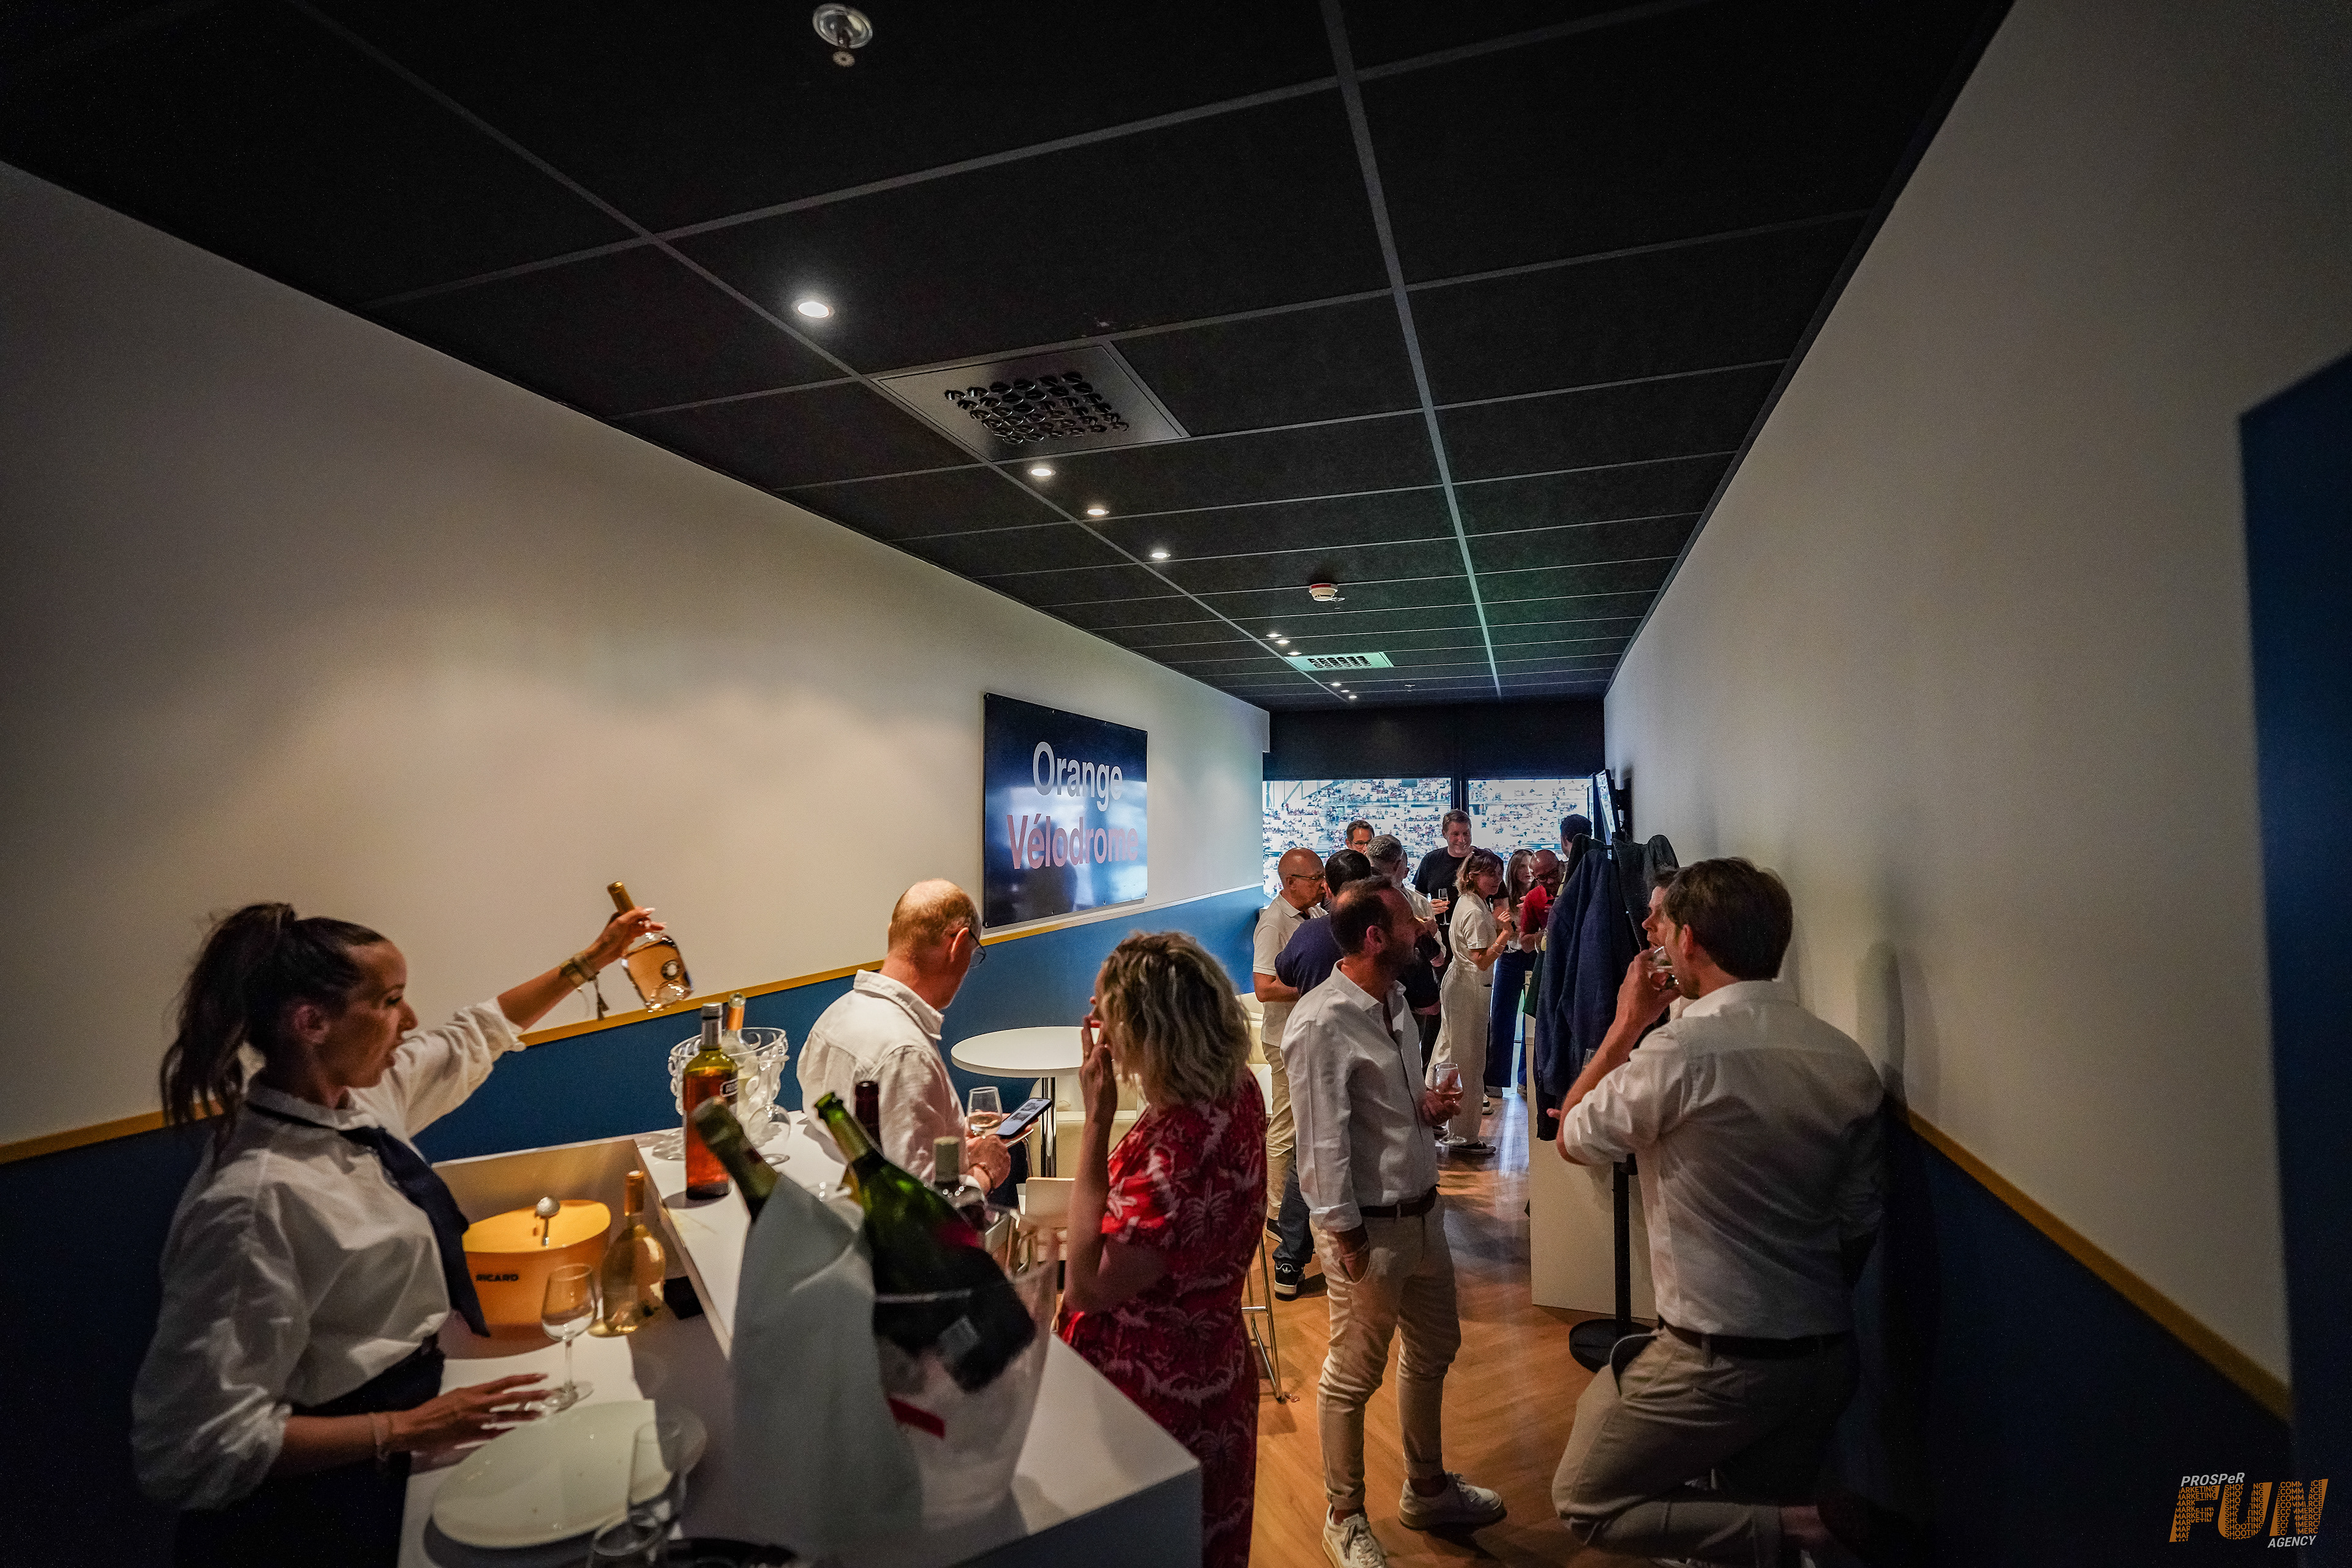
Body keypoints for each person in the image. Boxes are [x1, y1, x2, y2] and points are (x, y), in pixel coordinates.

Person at [134, 897, 664, 1566]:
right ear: (312, 1023)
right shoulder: (253, 1202)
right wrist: (402, 1428)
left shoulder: (359, 1102)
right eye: (389, 1001)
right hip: (323, 1507)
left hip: (420, 1411)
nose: (409, 1020)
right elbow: (187, 1448)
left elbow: (477, 1032)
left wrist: (592, 961)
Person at [1550, 859, 1893, 1566]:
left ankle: (1803, 1528)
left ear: (1690, 941)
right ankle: (1790, 1526)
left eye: (1665, 927)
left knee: (1586, 1496)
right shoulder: (1846, 1060)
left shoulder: (1678, 1052)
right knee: (1740, 1524)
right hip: (1825, 1353)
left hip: (1715, 1359)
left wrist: (1624, 1026)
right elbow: (1859, 1224)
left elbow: (1572, 1135)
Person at [1286, 879, 1507, 1568]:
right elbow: (1319, 1143)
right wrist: (1343, 1235)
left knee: (1435, 1348)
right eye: (1409, 920)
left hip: (1423, 1213)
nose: (1421, 926)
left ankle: (1427, 1487)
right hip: (1369, 1231)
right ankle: (1344, 1513)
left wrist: (1427, 1111)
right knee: (1352, 1375)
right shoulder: (1321, 1021)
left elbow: (1392, 1108)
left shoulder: (1395, 1006)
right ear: (1376, 937)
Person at [1060, 931, 1268, 1568]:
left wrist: (1097, 1122)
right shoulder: (1235, 1092)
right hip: (1216, 1369)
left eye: (1105, 1016)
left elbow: (1087, 1287)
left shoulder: (1174, 1150)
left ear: (1147, 1031)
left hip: (1155, 1400)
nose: (1096, 1030)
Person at [798, 880, 1010, 1189]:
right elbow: (919, 1206)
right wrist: (985, 1174)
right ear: (959, 943)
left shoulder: (833, 1017)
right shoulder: (906, 1054)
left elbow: (873, 1136)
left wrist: (949, 1132)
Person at [1252, 847, 1325, 1298]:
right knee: (1286, 1126)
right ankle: (1278, 1211)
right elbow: (1263, 988)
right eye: (1314, 877)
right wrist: (1315, 986)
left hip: (1303, 1035)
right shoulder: (1272, 922)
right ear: (1289, 882)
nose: (1321, 883)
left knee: (1298, 1125)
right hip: (1284, 1040)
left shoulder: (1314, 913)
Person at [1431, 848, 1513, 1152]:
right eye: (1490, 873)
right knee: (1468, 1062)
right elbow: (1481, 960)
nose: (1497, 879)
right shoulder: (1476, 911)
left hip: (1462, 983)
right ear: (1471, 876)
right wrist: (1505, 933)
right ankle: (1464, 1135)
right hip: (1469, 986)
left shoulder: (1472, 904)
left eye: (1498, 873)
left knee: (1448, 1052)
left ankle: (1437, 1118)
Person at [1364, 835, 1446, 1044]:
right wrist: (1420, 933)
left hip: (1383, 994)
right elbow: (1437, 958)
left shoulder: (1351, 899)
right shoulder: (1367, 900)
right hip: (1392, 994)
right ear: (1399, 864)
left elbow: (1439, 956)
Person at [1485, 850, 1540, 1104]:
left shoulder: (1540, 895)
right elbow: (1502, 928)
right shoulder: (1502, 896)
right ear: (1514, 870)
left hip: (1533, 957)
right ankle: (1495, 1081)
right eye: (1522, 867)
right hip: (1508, 958)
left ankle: (1526, 1080)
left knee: (1532, 1019)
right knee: (1502, 1019)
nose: (1527, 871)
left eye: (1531, 866)